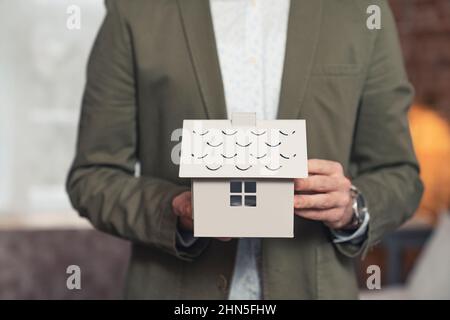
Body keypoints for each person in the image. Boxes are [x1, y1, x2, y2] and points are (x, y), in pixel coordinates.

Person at [67, 0, 423, 299]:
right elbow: (92, 176)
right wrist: (171, 211)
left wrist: (353, 208)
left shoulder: (360, 11)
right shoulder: (135, 11)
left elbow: (399, 173)